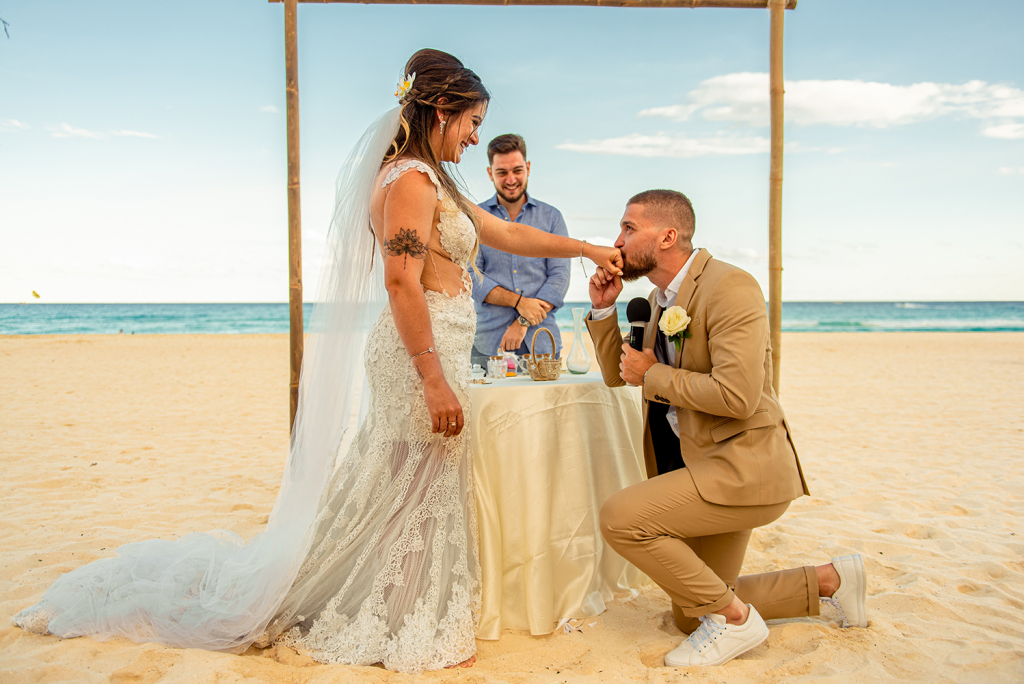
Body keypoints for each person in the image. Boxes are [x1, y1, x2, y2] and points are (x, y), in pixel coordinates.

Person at [12, 49, 623, 674]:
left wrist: (585, 247)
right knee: (412, 486)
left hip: (433, 351)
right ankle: (397, 620)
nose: (473, 137)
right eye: (471, 122)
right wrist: (433, 376)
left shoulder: (432, 177)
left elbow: (507, 235)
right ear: (442, 110)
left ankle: (406, 613)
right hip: (420, 356)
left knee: (408, 488)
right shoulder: (409, 181)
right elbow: (400, 283)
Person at [586, 189, 867, 668]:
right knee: (691, 614)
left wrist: (654, 374)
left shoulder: (731, 287)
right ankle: (829, 582)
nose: (617, 240)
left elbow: (737, 398)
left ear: (668, 236)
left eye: (629, 228)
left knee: (620, 518)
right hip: (700, 464)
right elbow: (620, 374)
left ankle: (737, 622)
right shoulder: (658, 299)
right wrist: (604, 310)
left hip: (743, 466)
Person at [471, 134, 570, 365]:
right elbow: (472, 277)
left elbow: (559, 278)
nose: (511, 179)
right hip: (487, 345)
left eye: (517, 170)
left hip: (543, 344)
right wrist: (519, 302)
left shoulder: (552, 218)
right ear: (489, 173)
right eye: (502, 172)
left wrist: (523, 320)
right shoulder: (475, 218)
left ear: (528, 168)